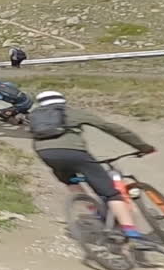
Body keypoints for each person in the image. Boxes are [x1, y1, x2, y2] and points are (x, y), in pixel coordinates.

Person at [27, 90, 157, 251]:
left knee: (70, 179)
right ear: (63, 101)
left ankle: (94, 210)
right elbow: (111, 128)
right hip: (74, 152)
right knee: (112, 193)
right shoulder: (72, 112)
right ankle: (133, 234)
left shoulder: (34, 116)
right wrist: (143, 147)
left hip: (46, 154)